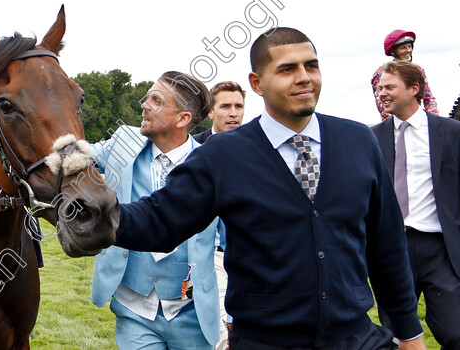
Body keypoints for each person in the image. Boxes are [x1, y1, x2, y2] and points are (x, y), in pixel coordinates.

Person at [113, 28, 425, 349]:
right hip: (265, 341)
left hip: (356, 338)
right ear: (257, 83)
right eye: (287, 69)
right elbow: (160, 220)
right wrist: (93, 215)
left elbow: (387, 245)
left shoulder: (359, 141)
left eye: (311, 66)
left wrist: (409, 333)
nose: (304, 77)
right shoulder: (223, 154)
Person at [91, 71, 220, 349]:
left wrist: (233, 313)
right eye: (147, 97)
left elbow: (235, 244)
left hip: (193, 314)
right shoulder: (124, 143)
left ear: (182, 119)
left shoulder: (212, 165)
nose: (144, 105)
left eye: (156, 100)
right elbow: (78, 154)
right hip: (133, 309)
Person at [372, 61, 460, 349]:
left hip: (441, 249)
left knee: (455, 331)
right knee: (397, 337)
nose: (381, 93)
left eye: (389, 87)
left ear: (414, 88)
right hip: (393, 249)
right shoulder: (371, 137)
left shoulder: (450, 132)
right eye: (380, 88)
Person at [193, 80, 246, 350]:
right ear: (211, 112)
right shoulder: (192, 150)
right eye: (225, 106)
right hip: (207, 254)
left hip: (249, 255)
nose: (233, 113)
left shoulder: (258, 149)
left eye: (239, 106)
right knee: (221, 330)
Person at [371, 30, 438, 121]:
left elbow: (428, 97)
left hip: (418, 118)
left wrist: (434, 120)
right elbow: (382, 104)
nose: (408, 50)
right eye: (403, 48)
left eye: (409, 46)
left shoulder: (418, 69)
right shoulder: (381, 73)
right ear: (392, 52)